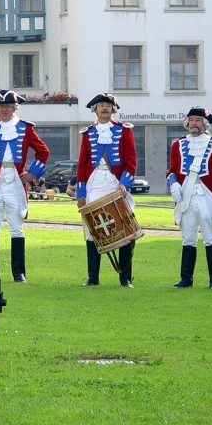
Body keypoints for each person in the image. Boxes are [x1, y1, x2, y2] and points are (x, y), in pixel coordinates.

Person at [0, 89, 50, 283]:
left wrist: (33, 174)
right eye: (0, 106)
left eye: (7, 106)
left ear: (15, 108)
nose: (4, 110)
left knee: (17, 227)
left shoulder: (25, 128)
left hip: (16, 182)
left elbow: (43, 152)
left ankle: (19, 272)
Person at [166, 107, 212, 289]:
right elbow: (171, 170)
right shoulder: (178, 144)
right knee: (188, 238)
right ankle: (186, 279)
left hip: (207, 196)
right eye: (191, 119)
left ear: (205, 123)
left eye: (198, 120)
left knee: (210, 237)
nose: (194, 123)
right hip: (186, 195)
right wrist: (173, 183)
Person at [76, 93, 137, 288]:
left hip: (115, 182)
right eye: (101, 105)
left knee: (124, 229)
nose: (104, 108)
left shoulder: (124, 131)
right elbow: (82, 164)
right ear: (95, 109)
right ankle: (93, 277)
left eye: (108, 105)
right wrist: (81, 194)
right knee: (93, 230)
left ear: (113, 109)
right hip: (94, 183)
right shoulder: (88, 133)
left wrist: (124, 183)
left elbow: (131, 162)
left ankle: (125, 277)